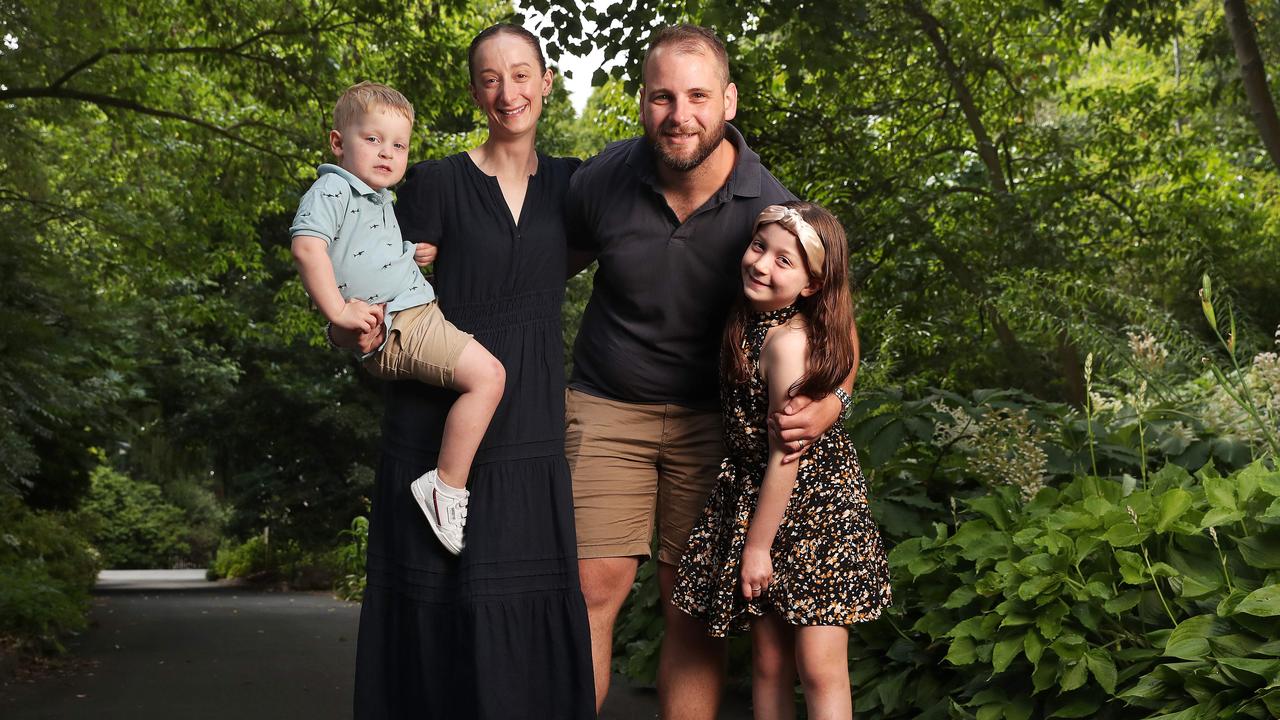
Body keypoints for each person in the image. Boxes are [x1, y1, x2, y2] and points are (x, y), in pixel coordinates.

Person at [564, 24, 853, 718]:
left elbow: (832, 319)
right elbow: (528, 268)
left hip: (714, 421)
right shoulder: (603, 178)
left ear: (729, 101)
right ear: (641, 102)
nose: (679, 114)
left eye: (697, 95)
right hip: (607, 399)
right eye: (662, 96)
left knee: (690, 606)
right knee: (588, 588)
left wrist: (835, 396)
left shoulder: (768, 205)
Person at [341, 25, 594, 719]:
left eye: (521, 74)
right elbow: (374, 298)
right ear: (474, 91)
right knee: (436, 606)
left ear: (546, 82)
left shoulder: (575, 185)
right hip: (436, 423)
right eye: (490, 77)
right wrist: (349, 321)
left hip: (532, 423)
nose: (507, 91)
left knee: (522, 601)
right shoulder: (435, 182)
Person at [672, 202, 892, 720]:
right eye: (758, 247)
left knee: (819, 666)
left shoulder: (788, 343)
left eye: (784, 261)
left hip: (817, 511)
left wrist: (757, 549)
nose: (762, 265)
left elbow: (786, 459)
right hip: (761, 501)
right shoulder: (752, 316)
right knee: (769, 662)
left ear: (812, 285)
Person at [289, 81, 504, 555]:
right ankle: (446, 487)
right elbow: (308, 248)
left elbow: (369, 256)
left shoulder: (378, 199)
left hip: (406, 319)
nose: (387, 153)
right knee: (490, 377)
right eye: (372, 140)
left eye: (399, 145)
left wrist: (414, 253)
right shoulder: (333, 189)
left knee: (485, 375)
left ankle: (445, 485)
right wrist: (339, 313)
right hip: (406, 322)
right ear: (338, 142)